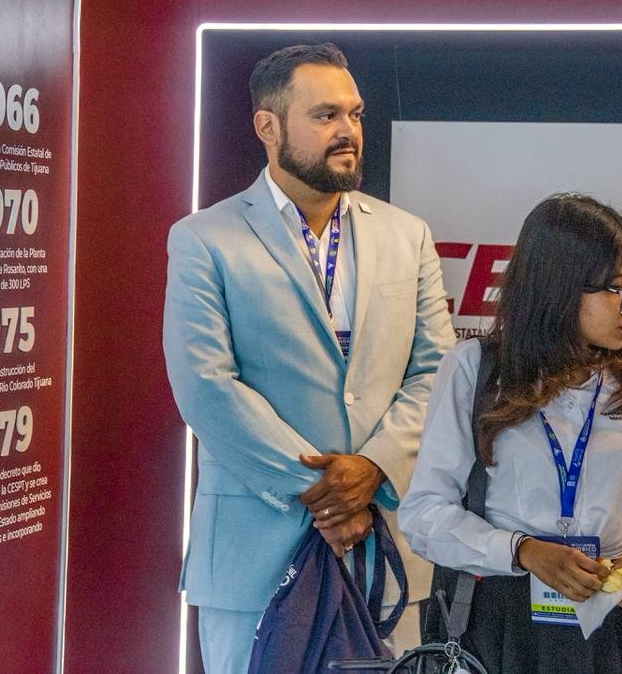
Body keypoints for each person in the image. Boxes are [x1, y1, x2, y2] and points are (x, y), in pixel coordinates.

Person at [163, 43, 456, 673]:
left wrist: (373, 469)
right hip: (255, 557)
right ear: (267, 127)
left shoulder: (407, 236)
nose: (348, 130)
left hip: (383, 551)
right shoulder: (204, 239)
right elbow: (206, 386)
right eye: (325, 115)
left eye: (354, 114)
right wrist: (324, 492)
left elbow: (437, 371)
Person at [399, 193, 622, 673]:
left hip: (614, 622)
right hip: (502, 622)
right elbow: (424, 514)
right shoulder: (475, 370)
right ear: (556, 288)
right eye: (614, 288)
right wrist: (523, 552)